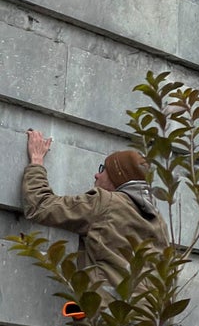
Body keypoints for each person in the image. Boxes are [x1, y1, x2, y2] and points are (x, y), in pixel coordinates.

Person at [22, 129, 168, 310]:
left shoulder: (105, 202)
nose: (96, 175)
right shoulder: (157, 220)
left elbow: (40, 206)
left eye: (103, 169)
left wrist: (36, 161)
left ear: (117, 177)